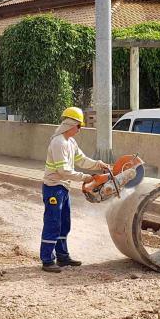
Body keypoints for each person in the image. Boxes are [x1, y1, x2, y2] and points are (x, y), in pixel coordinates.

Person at [40, 107, 110, 273]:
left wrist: (98, 164)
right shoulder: (59, 143)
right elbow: (64, 171)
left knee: (64, 224)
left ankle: (63, 256)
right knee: (53, 223)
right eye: (79, 126)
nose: (80, 129)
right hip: (53, 188)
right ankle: (47, 260)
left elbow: (82, 160)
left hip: (63, 188)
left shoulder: (70, 142)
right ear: (71, 124)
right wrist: (86, 178)